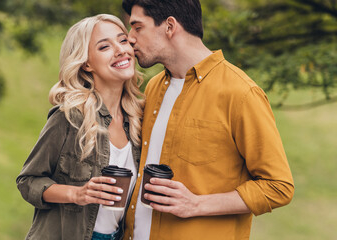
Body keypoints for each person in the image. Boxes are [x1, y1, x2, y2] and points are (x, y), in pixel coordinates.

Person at [121, 0, 295, 239]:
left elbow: (278, 186)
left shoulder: (241, 93)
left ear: (169, 26)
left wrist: (196, 204)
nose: (130, 38)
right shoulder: (153, 88)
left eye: (137, 27)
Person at [16, 14, 144, 240]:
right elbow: (28, 181)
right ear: (86, 63)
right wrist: (78, 194)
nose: (121, 50)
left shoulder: (137, 119)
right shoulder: (70, 117)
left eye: (123, 40)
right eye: (104, 46)